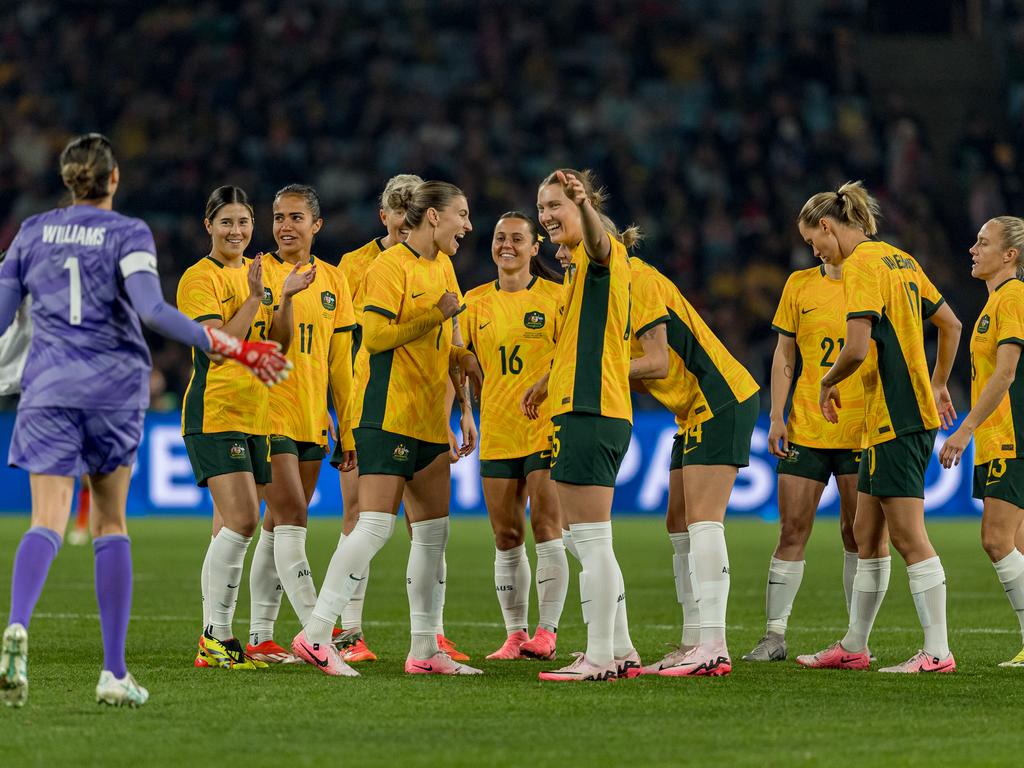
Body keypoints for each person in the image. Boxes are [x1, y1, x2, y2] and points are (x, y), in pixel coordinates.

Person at [0, 133, 288, 707]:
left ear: (67, 179)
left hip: (48, 388)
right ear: (112, 180)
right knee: (110, 523)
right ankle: (113, 672)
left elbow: (4, 318)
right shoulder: (129, 234)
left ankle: (17, 628)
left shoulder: (30, 233)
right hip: (112, 390)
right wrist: (240, 349)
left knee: (47, 520)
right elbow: (154, 312)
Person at [291, 180, 482, 677]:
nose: (468, 225)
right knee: (373, 526)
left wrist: (465, 376)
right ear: (434, 216)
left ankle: (424, 650)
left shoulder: (444, 266)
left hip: (427, 418)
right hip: (385, 413)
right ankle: (316, 635)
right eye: (461, 214)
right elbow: (374, 337)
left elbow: (448, 337)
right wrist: (431, 314)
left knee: (434, 535)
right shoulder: (386, 267)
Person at [795, 181, 962, 673]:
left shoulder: (862, 266)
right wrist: (937, 381)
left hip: (897, 419)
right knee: (866, 532)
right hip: (883, 419)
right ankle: (854, 645)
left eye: (813, 242)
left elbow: (855, 347)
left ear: (827, 226)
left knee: (908, 536)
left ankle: (937, 651)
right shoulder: (900, 260)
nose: (816, 251)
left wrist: (826, 384)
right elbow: (949, 323)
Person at [178, 185, 312, 669]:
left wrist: (286, 299)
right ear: (208, 226)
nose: (236, 231)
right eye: (226, 223)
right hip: (215, 412)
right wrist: (255, 298)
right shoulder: (200, 278)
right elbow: (218, 345)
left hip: (256, 415)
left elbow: (276, 343)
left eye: (243, 223)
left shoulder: (259, 276)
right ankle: (215, 636)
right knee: (242, 521)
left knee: (232, 528)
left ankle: (220, 637)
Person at [522, 169, 639, 682]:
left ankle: (598, 657)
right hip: (588, 409)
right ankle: (622, 649)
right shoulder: (576, 277)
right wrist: (547, 382)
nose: (547, 217)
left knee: (589, 541)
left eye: (555, 206)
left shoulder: (600, 255)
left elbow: (597, 238)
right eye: (542, 208)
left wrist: (583, 204)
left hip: (591, 413)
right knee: (589, 540)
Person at [622, 256, 759, 677]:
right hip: (691, 412)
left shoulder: (637, 282)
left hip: (720, 400)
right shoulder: (617, 292)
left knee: (702, 522)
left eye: (570, 255)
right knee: (678, 522)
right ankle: (692, 640)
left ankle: (714, 645)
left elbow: (658, 362)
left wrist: (598, 372)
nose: (562, 259)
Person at [241, 184, 358, 663]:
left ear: (316, 225)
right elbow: (268, 342)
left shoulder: (333, 282)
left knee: (275, 527)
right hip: (268, 412)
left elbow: (341, 367)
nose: (285, 226)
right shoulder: (256, 274)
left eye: (295, 217)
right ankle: (318, 633)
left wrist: (346, 428)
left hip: (313, 419)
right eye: (278, 217)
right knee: (293, 516)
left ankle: (260, 635)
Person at [742, 253, 866, 662]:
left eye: (814, 235)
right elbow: (785, 354)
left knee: (858, 534)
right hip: (806, 428)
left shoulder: (869, 280)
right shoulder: (799, 284)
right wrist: (777, 414)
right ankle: (774, 635)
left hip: (859, 428)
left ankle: (855, 640)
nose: (812, 246)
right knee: (792, 529)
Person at [463, 212, 568, 661]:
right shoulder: (473, 303)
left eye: (517, 239)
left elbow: (571, 359)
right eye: (500, 237)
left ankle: (547, 632)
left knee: (547, 526)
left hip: (546, 428)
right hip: (499, 430)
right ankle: (514, 634)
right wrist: (466, 413)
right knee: (506, 535)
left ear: (534, 247)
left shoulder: (557, 298)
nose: (507, 245)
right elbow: (460, 365)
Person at [939, 216, 1024, 667]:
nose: (973, 249)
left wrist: (966, 427)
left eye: (983, 243)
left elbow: (1006, 374)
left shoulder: (1012, 298)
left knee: (995, 540)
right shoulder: (995, 303)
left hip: (1010, 438)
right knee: (1018, 543)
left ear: (1009, 256)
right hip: (1002, 437)